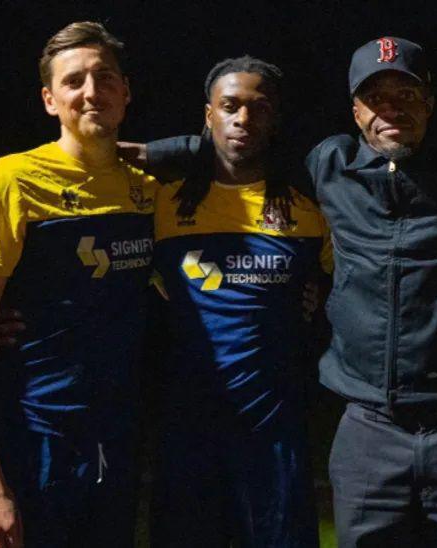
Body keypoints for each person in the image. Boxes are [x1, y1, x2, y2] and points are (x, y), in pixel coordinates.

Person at [143, 37, 437, 546]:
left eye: (407, 95)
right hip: (365, 428)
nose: (391, 109)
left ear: (430, 103)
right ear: (355, 110)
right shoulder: (325, 168)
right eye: (376, 98)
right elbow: (240, 149)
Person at [0, 22, 155, 547]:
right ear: (49, 99)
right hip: (31, 440)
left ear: (125, 90)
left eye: (105, 77)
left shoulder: (151, 192)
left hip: (115, 443)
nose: (91, 91)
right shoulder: (9, 182)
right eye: (74, 81)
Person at [148, 55, 327, 547]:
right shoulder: (162, 201)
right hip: (187, 432)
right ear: (208, 115)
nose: (242, 119)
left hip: (274, 432)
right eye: (229, 106)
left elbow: (353, 282)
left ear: (274, 119)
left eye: (258, 107)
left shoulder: (307, 207)